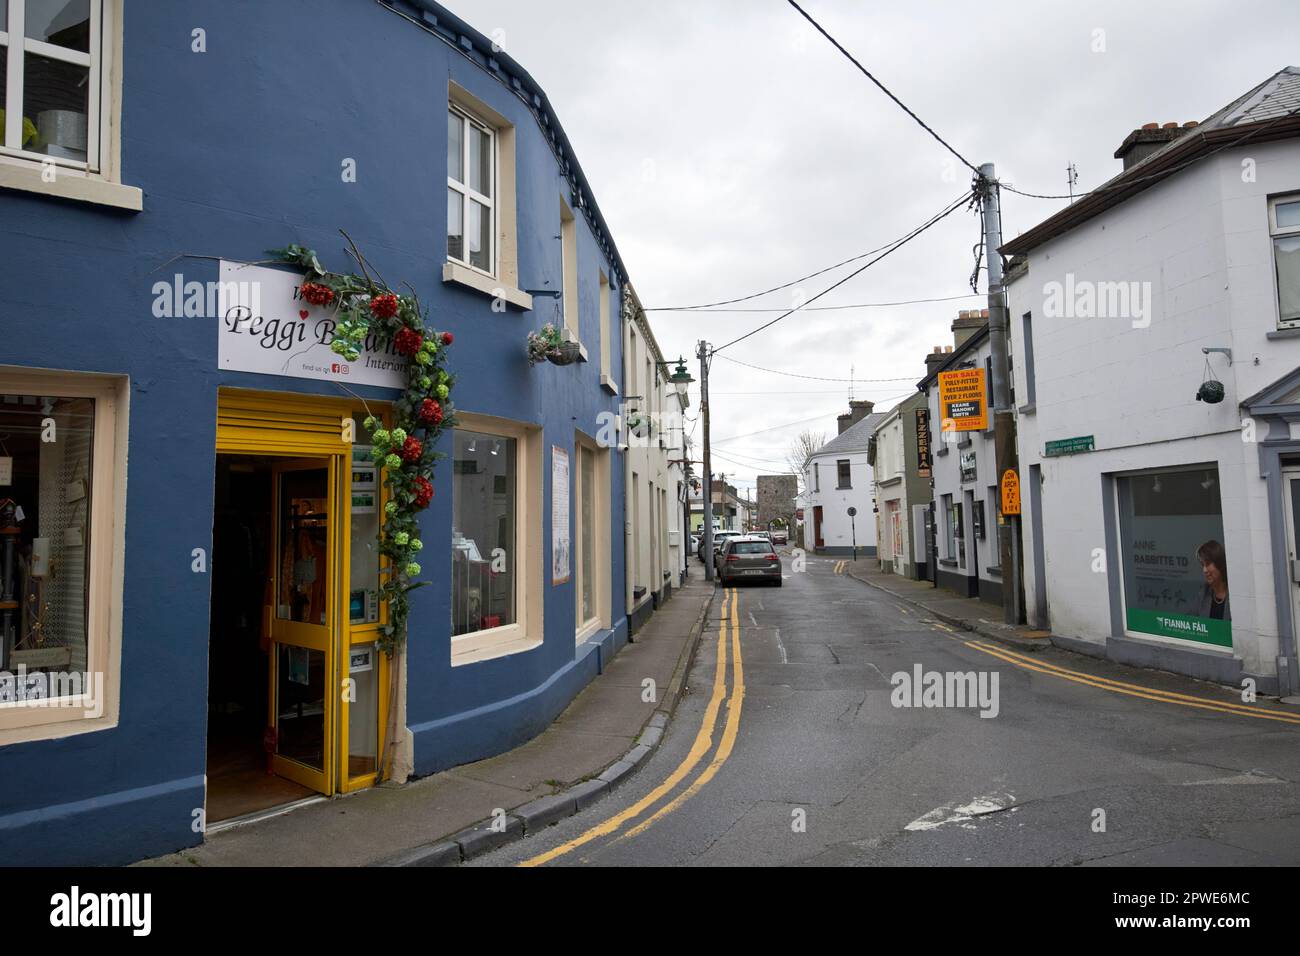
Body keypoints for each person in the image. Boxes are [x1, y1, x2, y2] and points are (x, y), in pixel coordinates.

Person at [1195, 539, 1230, 621]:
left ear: (1219, 563)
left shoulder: (1236, 593)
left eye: (1208, 564)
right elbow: (1189, 619)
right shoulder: (1204, 591)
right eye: (1202, 565)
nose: (1204, 570)